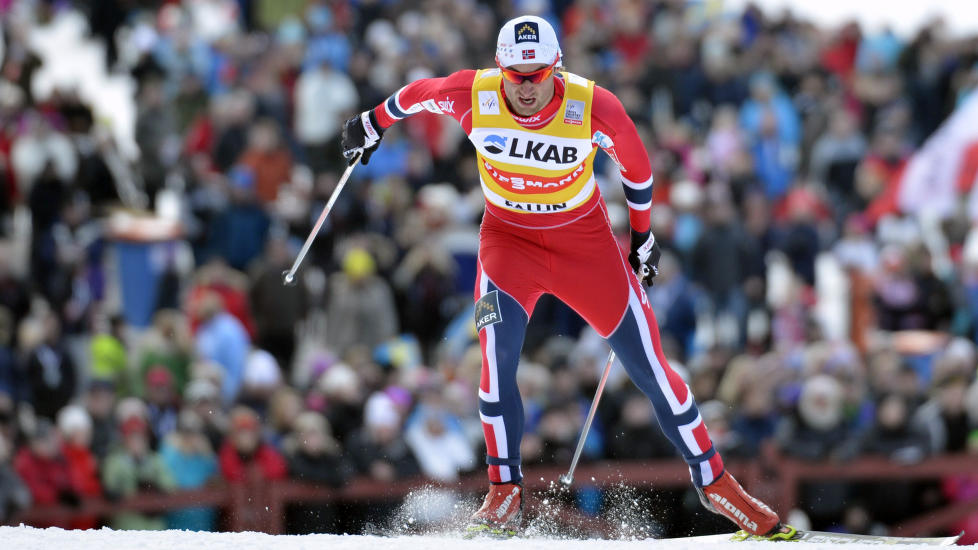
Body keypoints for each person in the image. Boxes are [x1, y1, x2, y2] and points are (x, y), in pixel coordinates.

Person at [341, 15, 786, 538]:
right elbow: (419, 93)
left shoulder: (592, 105)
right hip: (508, 242)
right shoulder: (476, 93)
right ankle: (504, 493)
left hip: (584, 246)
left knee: (651, 369)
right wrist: (370, 122)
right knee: (495, 357)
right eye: (515, 75)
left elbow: (638, 172)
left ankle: (716, 485)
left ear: (558, 66)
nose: (526, 88)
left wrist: (642, 237)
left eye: (538, 74)